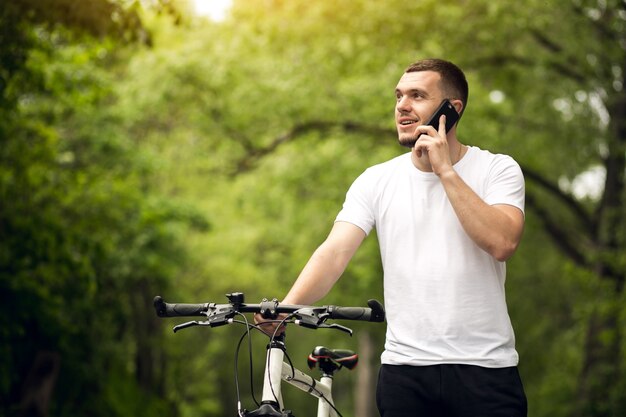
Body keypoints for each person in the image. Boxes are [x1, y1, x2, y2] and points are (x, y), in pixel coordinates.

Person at [258, 58, 527, 416]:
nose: (402, 105)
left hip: (487, 370)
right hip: (405, 373)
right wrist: (286, 309)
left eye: (417, 96)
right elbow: (334, 253)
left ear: (453, 109)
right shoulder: (375, 180)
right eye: (399, 96)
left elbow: (502, 242)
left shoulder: (498, 169)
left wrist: (444, 170)